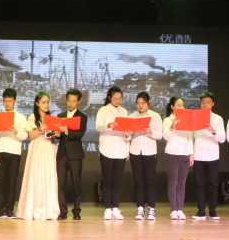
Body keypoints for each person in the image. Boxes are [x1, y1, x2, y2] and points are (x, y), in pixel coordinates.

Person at [16, 92, 61, 220]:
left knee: (48, 176)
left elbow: (53, 133)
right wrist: (40, 129)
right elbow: (31, 135)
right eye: (43, 102)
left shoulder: (51, 117)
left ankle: (48, 210)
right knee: (36, 176)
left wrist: (56, 134)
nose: (46, 105)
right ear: (37, 103)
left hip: (49, 147)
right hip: (38, 147)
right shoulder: (32, 117)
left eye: (47, 102)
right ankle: (34, 208)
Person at [0, 88, 28, 219]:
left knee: (11, 182)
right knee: (0, 182)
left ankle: (10, 210)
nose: (7, 104)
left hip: (14, 152)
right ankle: (0, 210)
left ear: (15, 101)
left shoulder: (21, 117)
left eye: (10, 101)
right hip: (0, 151)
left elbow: (25, 136)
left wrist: (16, 132)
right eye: (5, 101)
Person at [95, 86, 130, 220]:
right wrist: (108, 126)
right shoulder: (103, 110)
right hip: (107, 149)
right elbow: (98, 126)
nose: (118, 100)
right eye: (115, 98)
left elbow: (127, 131)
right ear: (109, 98)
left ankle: (115, 208)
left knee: (117, 181)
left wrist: (127, 136)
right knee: (107, 180)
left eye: (120, 98)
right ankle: (107, 209)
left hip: (121, 148)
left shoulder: (124, 111)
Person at [127, 92, 162, 220]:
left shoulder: (155, 116)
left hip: (150, 151)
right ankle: (140, 209)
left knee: (150, 182)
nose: (140, 105)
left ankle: (151, 209)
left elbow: (160, 135)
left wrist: (150, 131)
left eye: (143, 103)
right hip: (135, 151)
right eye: (138, 103)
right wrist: (127, 134)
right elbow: (128, 137)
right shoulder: (131, 116)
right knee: (139, 182)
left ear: (148, 103)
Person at [191, 92, 225, 220]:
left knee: (213, 185)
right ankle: (201, 211)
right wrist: (191, 153)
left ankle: (213, 211)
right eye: (203, 102)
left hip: (213, 156)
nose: (205, 105)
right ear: (200, 103)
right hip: (198, 155)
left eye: (208, 102)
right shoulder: (195, 117)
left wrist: (213, 131)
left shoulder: (218, 119)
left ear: (213, 104)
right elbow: (191, 137)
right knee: (199, 185)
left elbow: (222, 139)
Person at [54, 89, 87, 220]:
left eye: (74, 101)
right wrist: (57, 134)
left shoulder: (82, 116)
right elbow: (58, 136)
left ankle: (77, 212)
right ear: (66, 100)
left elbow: (80, 134)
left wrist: (66, 130)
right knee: (61, 184)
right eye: (69, 101)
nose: (71, 103)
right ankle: (62, 212)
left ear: (78, 102)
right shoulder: (60, 115)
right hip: (62, 154)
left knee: (76, 184)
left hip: (75, 154)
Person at [163, 96, 194, 220]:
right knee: (173, 183)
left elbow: (189, 138)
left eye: (182, 105)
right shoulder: (167, 120)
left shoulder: (187, 120)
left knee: (182, 183)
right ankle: (173, 210)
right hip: (171, 154)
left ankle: (180, 209)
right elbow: (166, 136)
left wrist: (191, 154)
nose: (181, 107)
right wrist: (173, 125)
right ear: (172, 106)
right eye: (178, 105)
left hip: (184, 154)